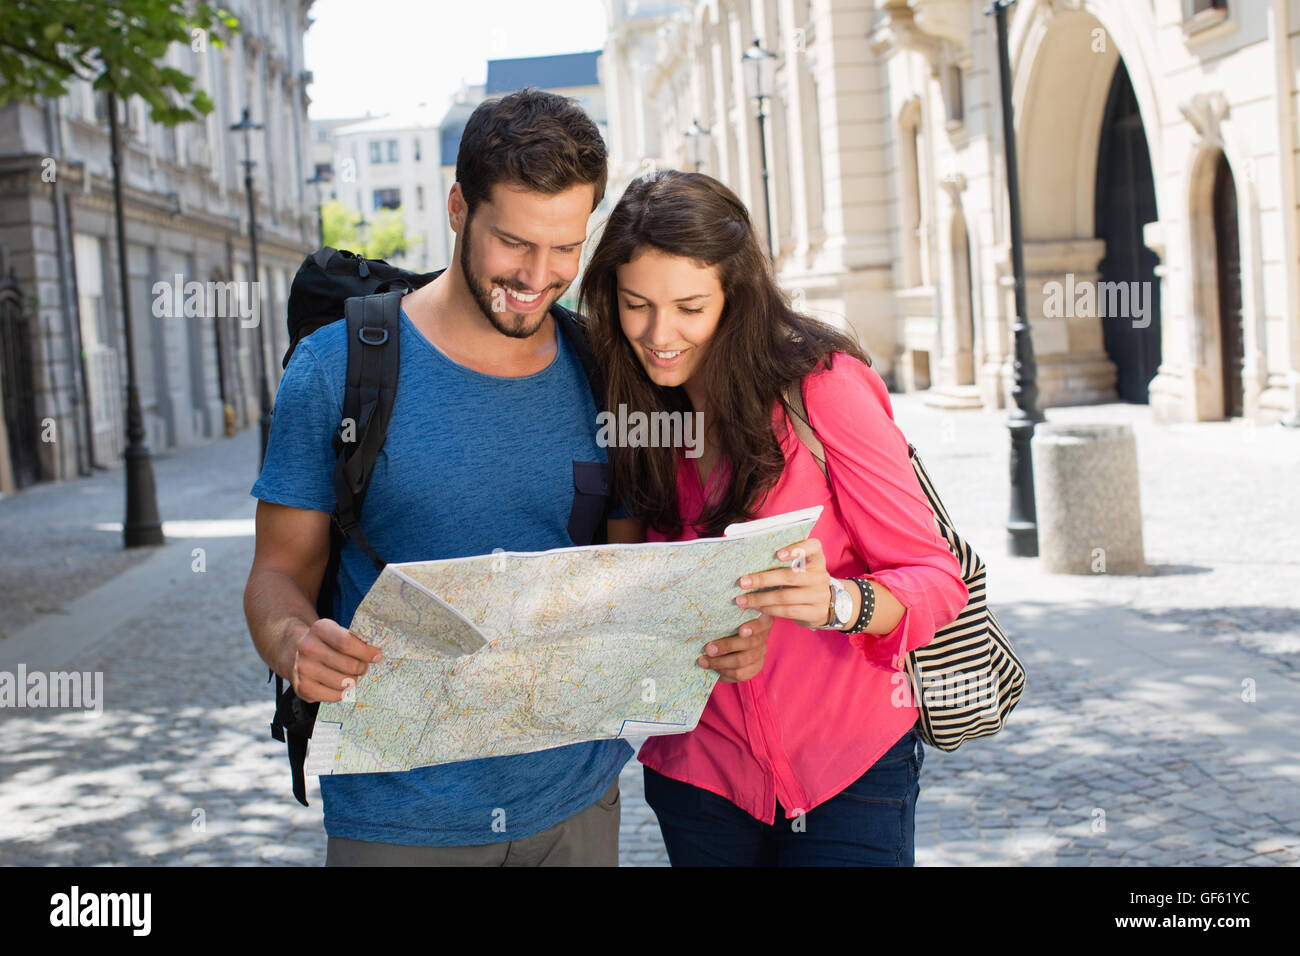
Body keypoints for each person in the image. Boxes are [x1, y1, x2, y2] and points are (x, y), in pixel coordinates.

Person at [242, 91, 772, 866]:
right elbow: (277, 573)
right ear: (459, 208)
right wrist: (294, 642)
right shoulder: (339, 368)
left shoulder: (604, 367)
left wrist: (712, 633)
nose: (539, 275)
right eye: (514, 243)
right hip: (399, 812)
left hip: (576, 800)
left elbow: (628, 576)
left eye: (566, 247)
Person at [578, 170, 971, 866]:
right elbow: (624, 590)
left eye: (689, 307)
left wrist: (838, 601)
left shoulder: (822, 390)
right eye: (637, 305)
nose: (659, 334)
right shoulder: (627, 408)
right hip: (698, 779)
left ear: (738, 295)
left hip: (848, 773)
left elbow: (937, 580)